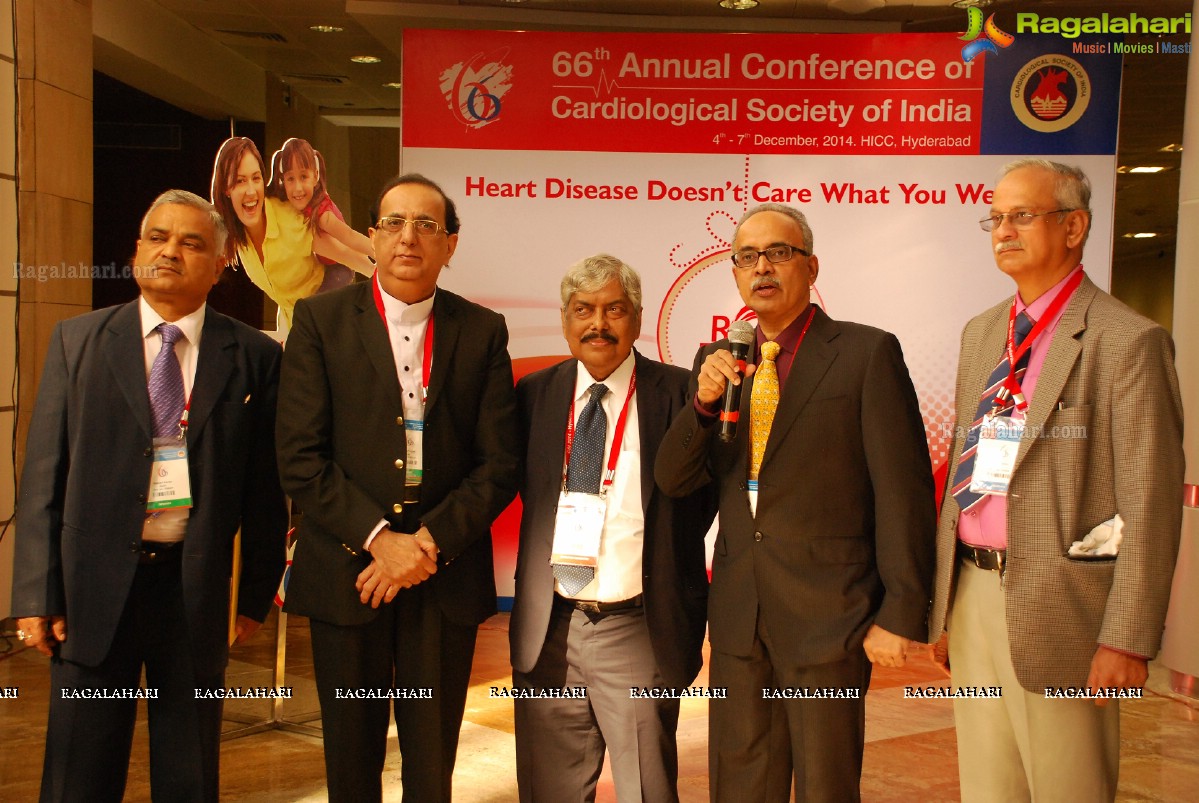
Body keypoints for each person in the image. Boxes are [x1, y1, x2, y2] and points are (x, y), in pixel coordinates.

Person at [10, 189, 288, 802]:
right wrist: (37, 590)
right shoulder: (76, 341)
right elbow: (43, 477)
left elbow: (266, 492)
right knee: (77, 769)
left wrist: (256, 597)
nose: (170, 251)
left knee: (189, 769)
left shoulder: (255, 357)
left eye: (191, 243)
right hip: (89, 589)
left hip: (193, 589)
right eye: (158, 238)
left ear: (221, 265)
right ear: (137, 250)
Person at [655, 203, 936, 802]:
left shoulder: (865, 354)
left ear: (810, 266)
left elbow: (903, 490)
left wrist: (901, 609)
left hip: (830, 614)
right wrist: (702, 404)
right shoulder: (721, 363)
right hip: (740, 615)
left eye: (778, 253)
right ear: (734, 274)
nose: (762, 268)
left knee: (825, 786)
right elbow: (674, 480)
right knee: (739, 784)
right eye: (747, 258)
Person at [927, 159, 1185, 802]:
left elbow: (1149, 504)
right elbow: (969, 462)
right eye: (995, 217)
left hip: (1067, 611)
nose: (1002, 230)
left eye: (1022, 215)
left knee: (1067, 787)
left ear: (1074, 227)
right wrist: (943, 602)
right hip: (973, 593)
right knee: (987, 787)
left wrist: (1127, 638)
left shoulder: (1128, 341)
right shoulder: (982, 331)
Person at [276, 173, 520, 802]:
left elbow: (498, 464)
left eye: (427, 225)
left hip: (442, 573)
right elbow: (300, 457)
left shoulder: (482, 329)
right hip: (348, 570)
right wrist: (382, 540)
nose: (408, 237)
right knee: (350, 760)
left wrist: (425, 546)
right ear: (374, 236)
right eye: (393, 223)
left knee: (431, 761)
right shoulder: (320, 321)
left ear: (450, 244)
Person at [509, 254, 717, 802]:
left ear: (638, 317)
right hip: (549, 627)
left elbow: (703, 500)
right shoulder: (533, 395)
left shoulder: (680, 394)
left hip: (638, 629)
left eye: (613, 309)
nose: (597, 324)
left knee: (647, 791)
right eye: (583, 310)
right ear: (564, 319)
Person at [210, 137, 372, 328]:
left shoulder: (291, 220)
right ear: (226, 189)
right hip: (290, 322)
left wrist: (396, 284)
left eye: (256, 178)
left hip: (324, 315)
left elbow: (349, 255)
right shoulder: (233, 231)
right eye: (240, 181)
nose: (251, 191)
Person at [267, 137, 374, 280]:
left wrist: (380, 252)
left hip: (338, 269)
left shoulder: (323, 215)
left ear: (316, 176)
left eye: (304, 177)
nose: (297, 188)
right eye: (290, 179)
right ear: (283, 180)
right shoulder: (281, 200)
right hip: (322, 264)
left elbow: (349, 238)